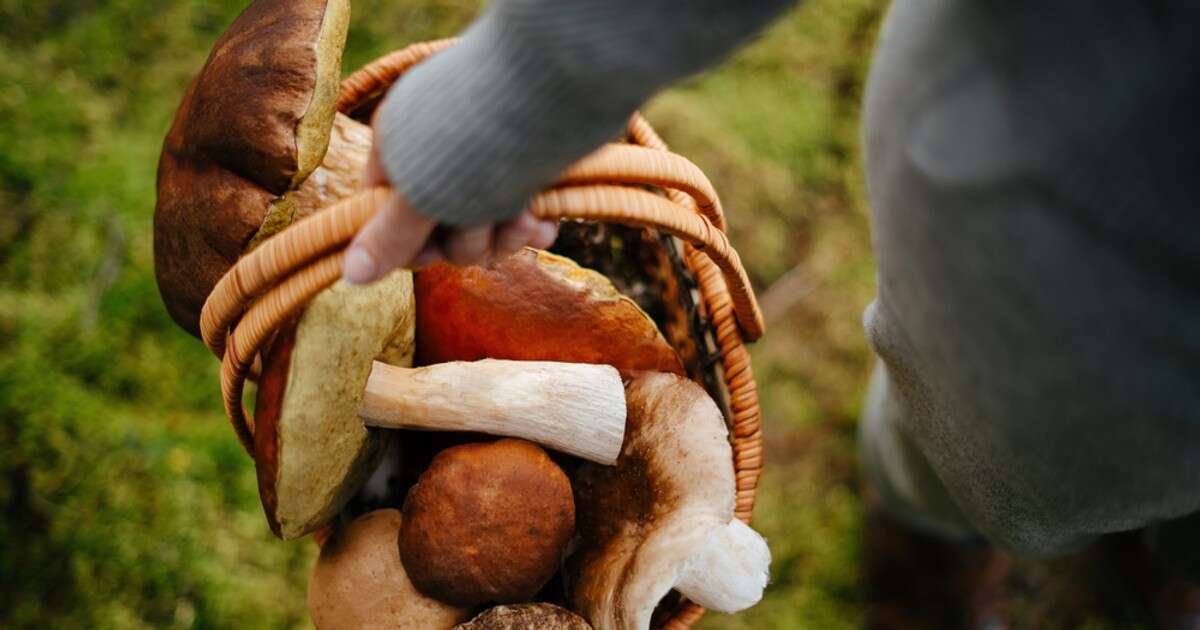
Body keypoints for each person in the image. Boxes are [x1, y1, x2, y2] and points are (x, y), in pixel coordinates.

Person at [343, 0, 1200, 627]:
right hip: (1032, 221)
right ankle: (927, 531)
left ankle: (1160, 557)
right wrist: (522, 88)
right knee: (972, 436)